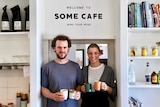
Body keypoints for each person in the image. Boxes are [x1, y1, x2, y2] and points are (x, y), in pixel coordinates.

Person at [41, 35, 83, 107]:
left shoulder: (75, 66)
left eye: (64, 47)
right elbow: (43, 88)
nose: (62, 50)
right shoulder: (46, 67)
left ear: (68, 49)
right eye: (59, 47)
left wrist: (78, 93)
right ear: (54, 48)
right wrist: (53, 96)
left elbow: (79, 85)